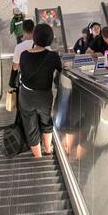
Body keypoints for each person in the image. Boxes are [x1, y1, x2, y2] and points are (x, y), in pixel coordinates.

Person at [18, 22, 62, 159]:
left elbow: (22, 73)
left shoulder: (24, 55)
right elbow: (61, 70)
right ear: (50, 39)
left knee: (30, 126)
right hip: (44, 96)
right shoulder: (53, 56)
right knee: (46, 122)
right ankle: (48, 149)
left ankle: (37, 156)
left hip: (26, 95)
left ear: (35, 37)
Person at [10, 17, 35, 86]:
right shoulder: (41, 43)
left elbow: (15, 67)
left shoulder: (19, 47)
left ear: (23, 30)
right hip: (40, 81)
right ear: (34, 29)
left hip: (26, 80)